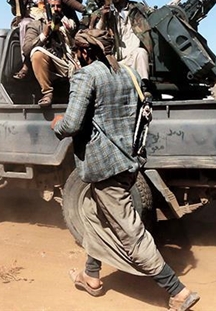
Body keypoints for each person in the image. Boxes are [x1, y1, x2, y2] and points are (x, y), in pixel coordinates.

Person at [51, 29, 200, 311]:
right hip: (129, 161)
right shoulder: (130, 73)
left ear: (85, 52)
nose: (76, 56)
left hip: (104, 167)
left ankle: (177, 291)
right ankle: (91, 276)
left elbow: (71, 124)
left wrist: (57, 124)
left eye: (78, 51)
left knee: (130, 232)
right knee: (94, 214)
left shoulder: (86, 75)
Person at [91, 0, 154, 80]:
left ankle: (143, 85)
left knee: (141, 52)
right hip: (112, 59)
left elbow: (158, 15)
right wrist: (103, 17)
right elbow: (95, 32)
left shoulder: (137, 9)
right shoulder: (103, 11)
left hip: (132, 58)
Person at [24, 0, 79, 107]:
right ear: (46, 8)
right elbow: (26, 49)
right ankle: (47, 93)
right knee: (37, 53)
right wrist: (44, 34)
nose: (56, 9)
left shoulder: (66, 24)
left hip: (67, 63)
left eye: (58, 6)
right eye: (52, 6)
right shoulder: (36, 25)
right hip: (49, 65)